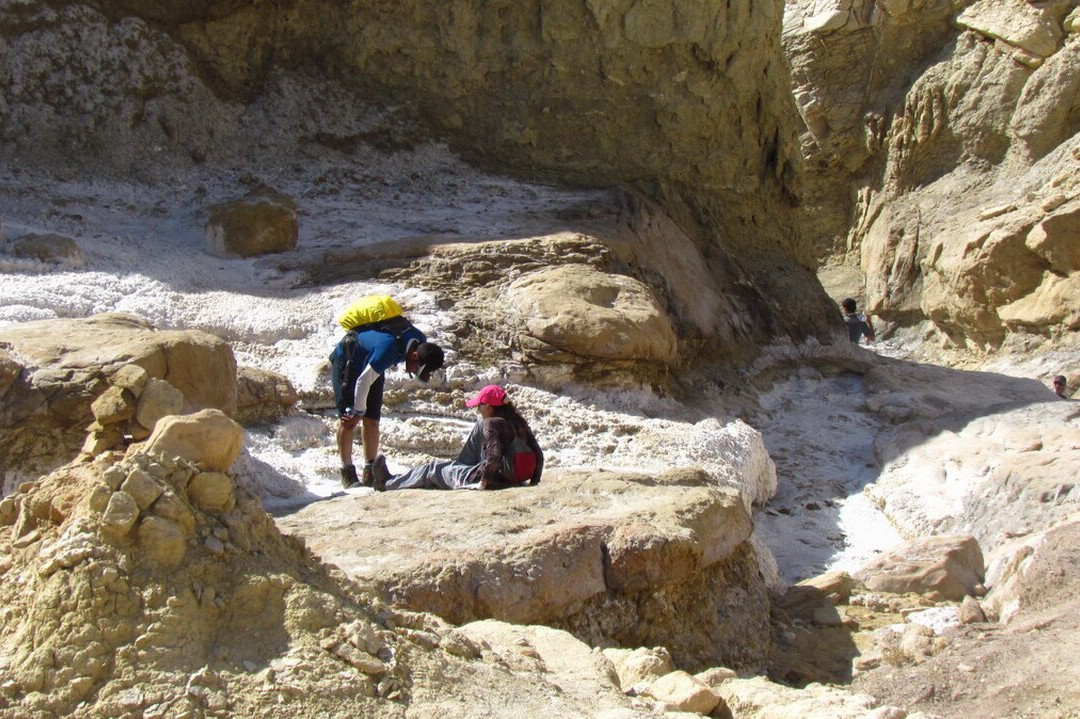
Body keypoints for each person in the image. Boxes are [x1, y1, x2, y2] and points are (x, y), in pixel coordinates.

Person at [330, 294, 445, 488]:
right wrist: (357, 411)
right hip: (348, 364)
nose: (413, 371)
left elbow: (369, 377)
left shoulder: (420, 340)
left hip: (372, 366)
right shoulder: (389, 349)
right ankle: (347, 473)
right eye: (417, 368)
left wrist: (363, 410)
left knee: (372, 420)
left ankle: (371, 471)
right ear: (415, 355)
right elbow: (362, 381)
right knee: (349, 419)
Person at [370, 384, 544, 491]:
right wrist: (533, 482)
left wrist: (483, 483)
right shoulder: (517, 421)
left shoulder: (491, 423)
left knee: (433, 468)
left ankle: (387, 483)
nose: (478, 410)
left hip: (494, 479)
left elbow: (494, 454)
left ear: (489, 407)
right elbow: (538, 453)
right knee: (478, 426)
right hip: (512, 477)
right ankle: (459, 467)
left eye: (480, 406)